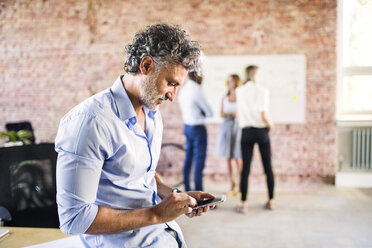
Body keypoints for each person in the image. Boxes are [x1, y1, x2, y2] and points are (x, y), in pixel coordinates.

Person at [55, 23, 215, 248]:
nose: (173, 96)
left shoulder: (152, 114)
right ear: (147, 65)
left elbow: (143, 175)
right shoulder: (89, 122)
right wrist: (157, 215)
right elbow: (74, 218)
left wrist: (178, 197)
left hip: (163, 237)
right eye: (171, 83)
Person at [235, 65, 275, 214]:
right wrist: (270, 125)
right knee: (268, 167)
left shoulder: (239, 91)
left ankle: (243, 204)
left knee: (245, 169)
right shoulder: (262, 90)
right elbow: (263, 113)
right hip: (261, 131)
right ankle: (271, 201)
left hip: (246, 132)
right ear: (255, 74)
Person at [177, 71, 213, 192]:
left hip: (187, 127)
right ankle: (199, 193)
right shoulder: (196, 90)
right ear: (197, 76)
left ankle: (187, 189)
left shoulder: (183, 90)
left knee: (188, 159)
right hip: (198, 129)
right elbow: (209, 112)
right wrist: (201, 112)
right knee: (199, 162)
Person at [215, 74, 242, 196]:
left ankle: (241, 185)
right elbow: (221, 114)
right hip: (226, 127)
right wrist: (231, 113)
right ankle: (232, 184)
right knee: (229, 157)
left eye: (230, 81)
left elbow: (242, 113)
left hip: (238, 127)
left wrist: (232, 114)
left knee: (238, 157)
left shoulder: (242, 97)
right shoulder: (224, 97)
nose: (228, 83)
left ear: (235, 82)